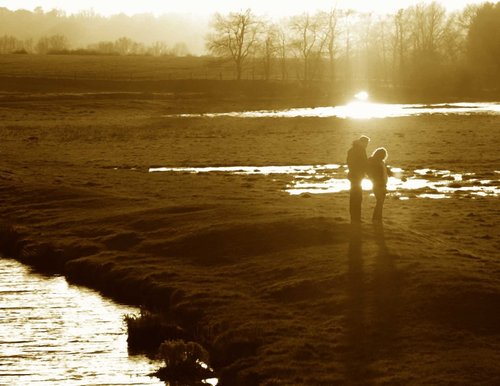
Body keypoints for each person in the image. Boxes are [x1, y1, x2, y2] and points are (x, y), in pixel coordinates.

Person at [347, 135, 370, 224]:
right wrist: (368, 173)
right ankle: (357, 218)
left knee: (353, 197)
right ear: (363, 142)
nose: (367, 145)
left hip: (352, 175)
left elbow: (349, 163)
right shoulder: (361, 150)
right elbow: (364, 163)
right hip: (358, 176)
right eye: (366, 143)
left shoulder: (351, 150)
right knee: (358, 197)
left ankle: (354, 217)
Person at [366, 147, 390, 223]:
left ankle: (377, 218)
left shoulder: (381, 162)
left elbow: (388, 172)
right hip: (378, 184)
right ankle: (376, 218)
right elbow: (370, 173)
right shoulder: (374, 162)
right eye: (383, 155)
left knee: (380, 202)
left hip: (382, 184)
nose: (383, 157)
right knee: (380, 201)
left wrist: (401, 177)